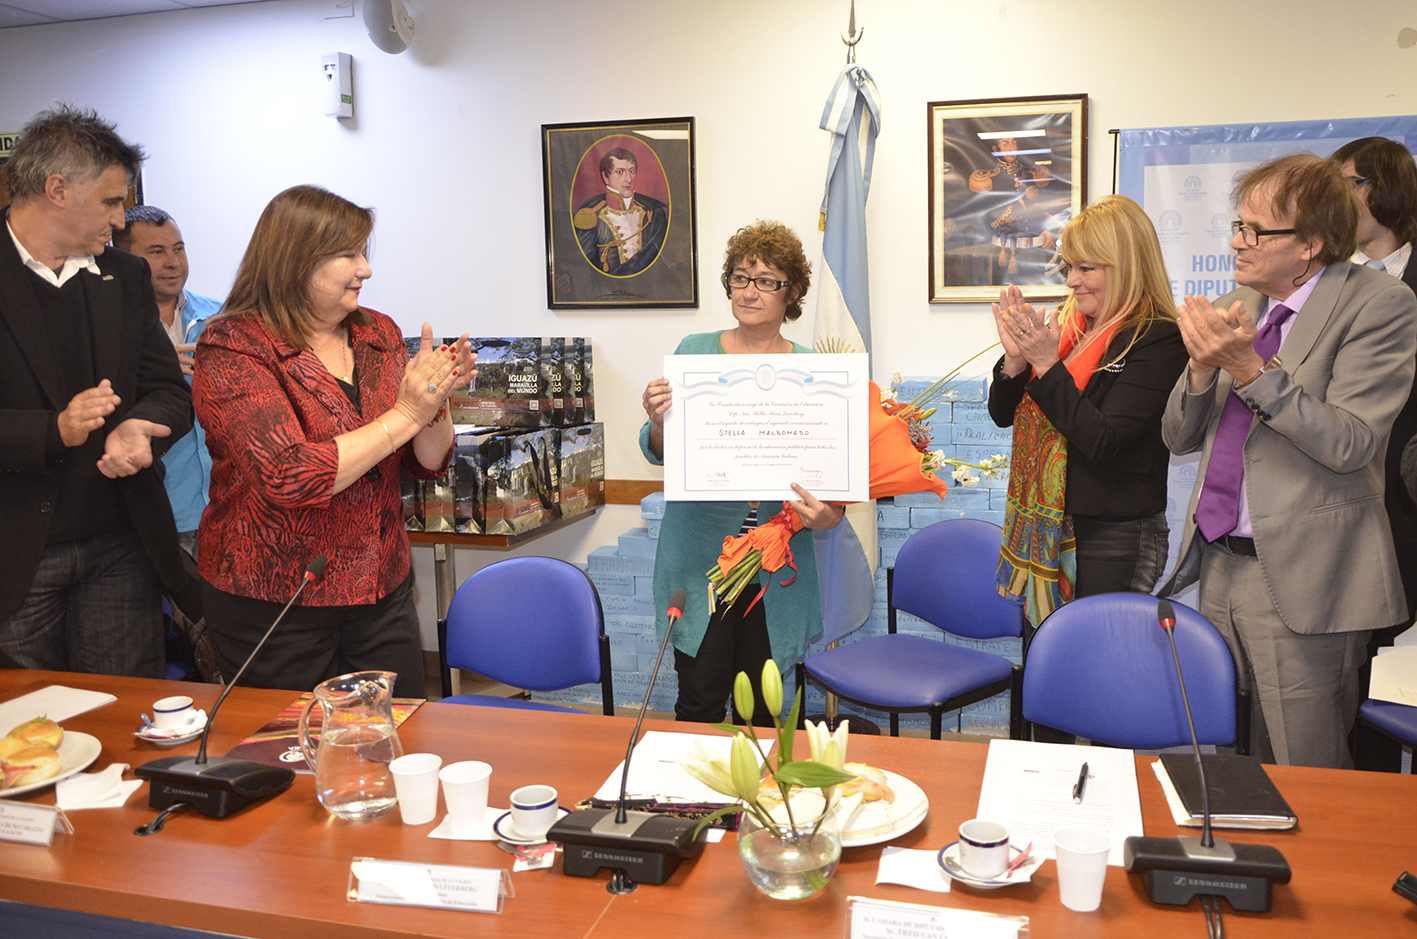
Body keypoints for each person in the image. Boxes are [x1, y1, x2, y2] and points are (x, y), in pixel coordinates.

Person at [1161, 153, 1417, 768]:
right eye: (1238, 226)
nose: (1237, 242)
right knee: (1233, 759)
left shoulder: (1379, 304)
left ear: (1310, 245)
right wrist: (1200, 369)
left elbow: (1351, 442)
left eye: (1255, 232)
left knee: (1308, 765)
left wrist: (1249, 368)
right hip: (1219, 563)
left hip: (1307, 577)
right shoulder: (1239, 303)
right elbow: (1179, 438)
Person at [193, 185, 476, 698]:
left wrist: (434, 402)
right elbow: (290, 475)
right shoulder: (234, 345)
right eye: (348, 255)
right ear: (296, 260)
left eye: (364, 253)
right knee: (294, 741)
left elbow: (426, 464)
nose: (365, 269)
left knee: (395, 731)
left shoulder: (377, 333)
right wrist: (407, 413)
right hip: (277, 600)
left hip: (380, 589)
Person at [0, 106, 193, 678]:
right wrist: (52, 430)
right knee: (29, 718)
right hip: (17, 551)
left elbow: (167, 389)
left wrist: (140, 428)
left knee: (122, 708)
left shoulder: (124, 276)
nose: (119, 218)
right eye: (110, 201)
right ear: (57, 190)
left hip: (121, 542)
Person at [640, 221, 843, 723]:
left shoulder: (815, 370)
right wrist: (658, 422)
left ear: (791, 292)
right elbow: (660, 452)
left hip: (775, 568)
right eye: (740, 278)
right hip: (700, 562)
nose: (749, 292)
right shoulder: (694, 352)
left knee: (765, 713)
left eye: (767, 280)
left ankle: (762, 781)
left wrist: (827, 516)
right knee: (700, 703)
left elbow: (831, 491)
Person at [989, 195, 1187, 627]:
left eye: (1086, 268)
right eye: (1069, 267)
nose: (1072, 281)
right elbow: (1004, 415)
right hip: (1050, 528)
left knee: (1100, 660)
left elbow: (1102, 441)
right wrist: (1016, 363)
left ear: (1126, 267)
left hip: (1113, 538)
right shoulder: (1067, 327)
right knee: (1047, 655)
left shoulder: (1158, 338)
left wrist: (1047, 366)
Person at [1328, 138, 1417, 624]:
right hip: (1340, 495)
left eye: (1350, 184)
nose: (1337, 199)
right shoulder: (1321, 282)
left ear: (1389, 187)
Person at [112, 205, 222, 556]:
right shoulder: (108, 326)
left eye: (178, 248)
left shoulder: (223, 318)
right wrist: (154, 371)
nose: (174, 262)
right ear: (124, 259)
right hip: (152, 515)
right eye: (157, 252)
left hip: (226, 510)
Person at [574, 147, 669, 276]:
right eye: (620, 172)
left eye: (632, 171)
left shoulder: (653, 214)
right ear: (605, 177)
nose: (628, 179)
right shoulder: (591, 216)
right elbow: (583, 267)